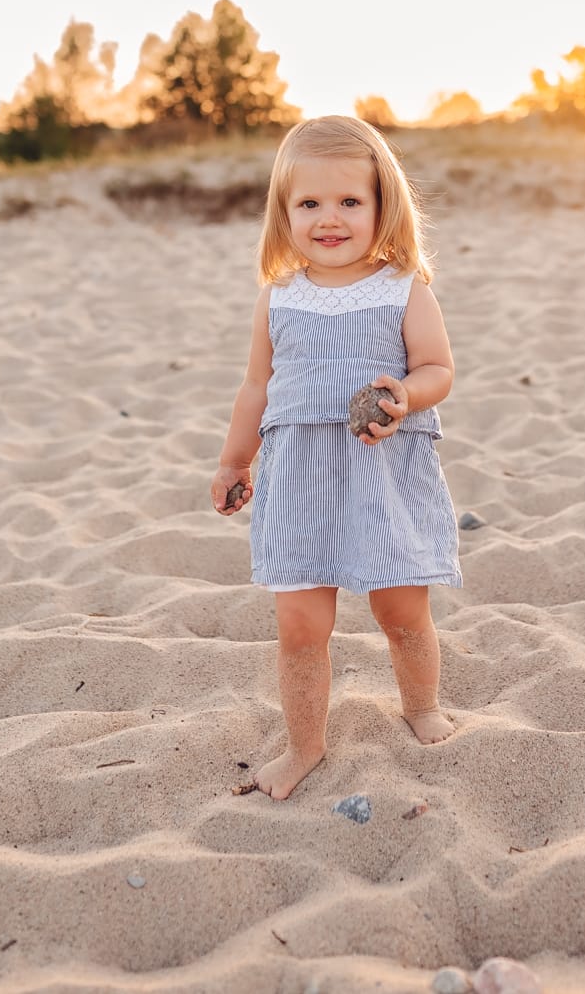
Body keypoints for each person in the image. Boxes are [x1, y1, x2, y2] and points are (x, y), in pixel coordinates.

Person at [211, 115, 461, 800]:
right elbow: (256, 388)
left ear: (383, 206)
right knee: (300, 626)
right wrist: (234, 462)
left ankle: (421, 706)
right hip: (301, 481)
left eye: (350, 201)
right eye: (309, 203)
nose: (329, 218)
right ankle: (305, 746)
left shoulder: (403, 288)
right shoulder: (279, 297)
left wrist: (407, 395)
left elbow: (438, 368)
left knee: (401, 610)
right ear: (283, 213)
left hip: (383, 475)